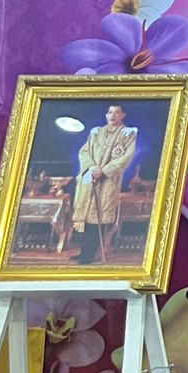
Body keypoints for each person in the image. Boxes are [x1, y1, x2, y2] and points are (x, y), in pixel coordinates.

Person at [71, 104, 136, 264]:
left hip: (108, 182)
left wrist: (104, 171)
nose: (112, 115)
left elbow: (126, 157)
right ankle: (84, 252)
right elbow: (84, 151)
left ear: (123, 115)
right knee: (87, 219)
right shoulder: (96, 132)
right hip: (91, 178)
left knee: (97, 219)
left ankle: (89, 256)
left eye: (116, 112)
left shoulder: (128, 134)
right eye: (110, 112)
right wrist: (92, 167)